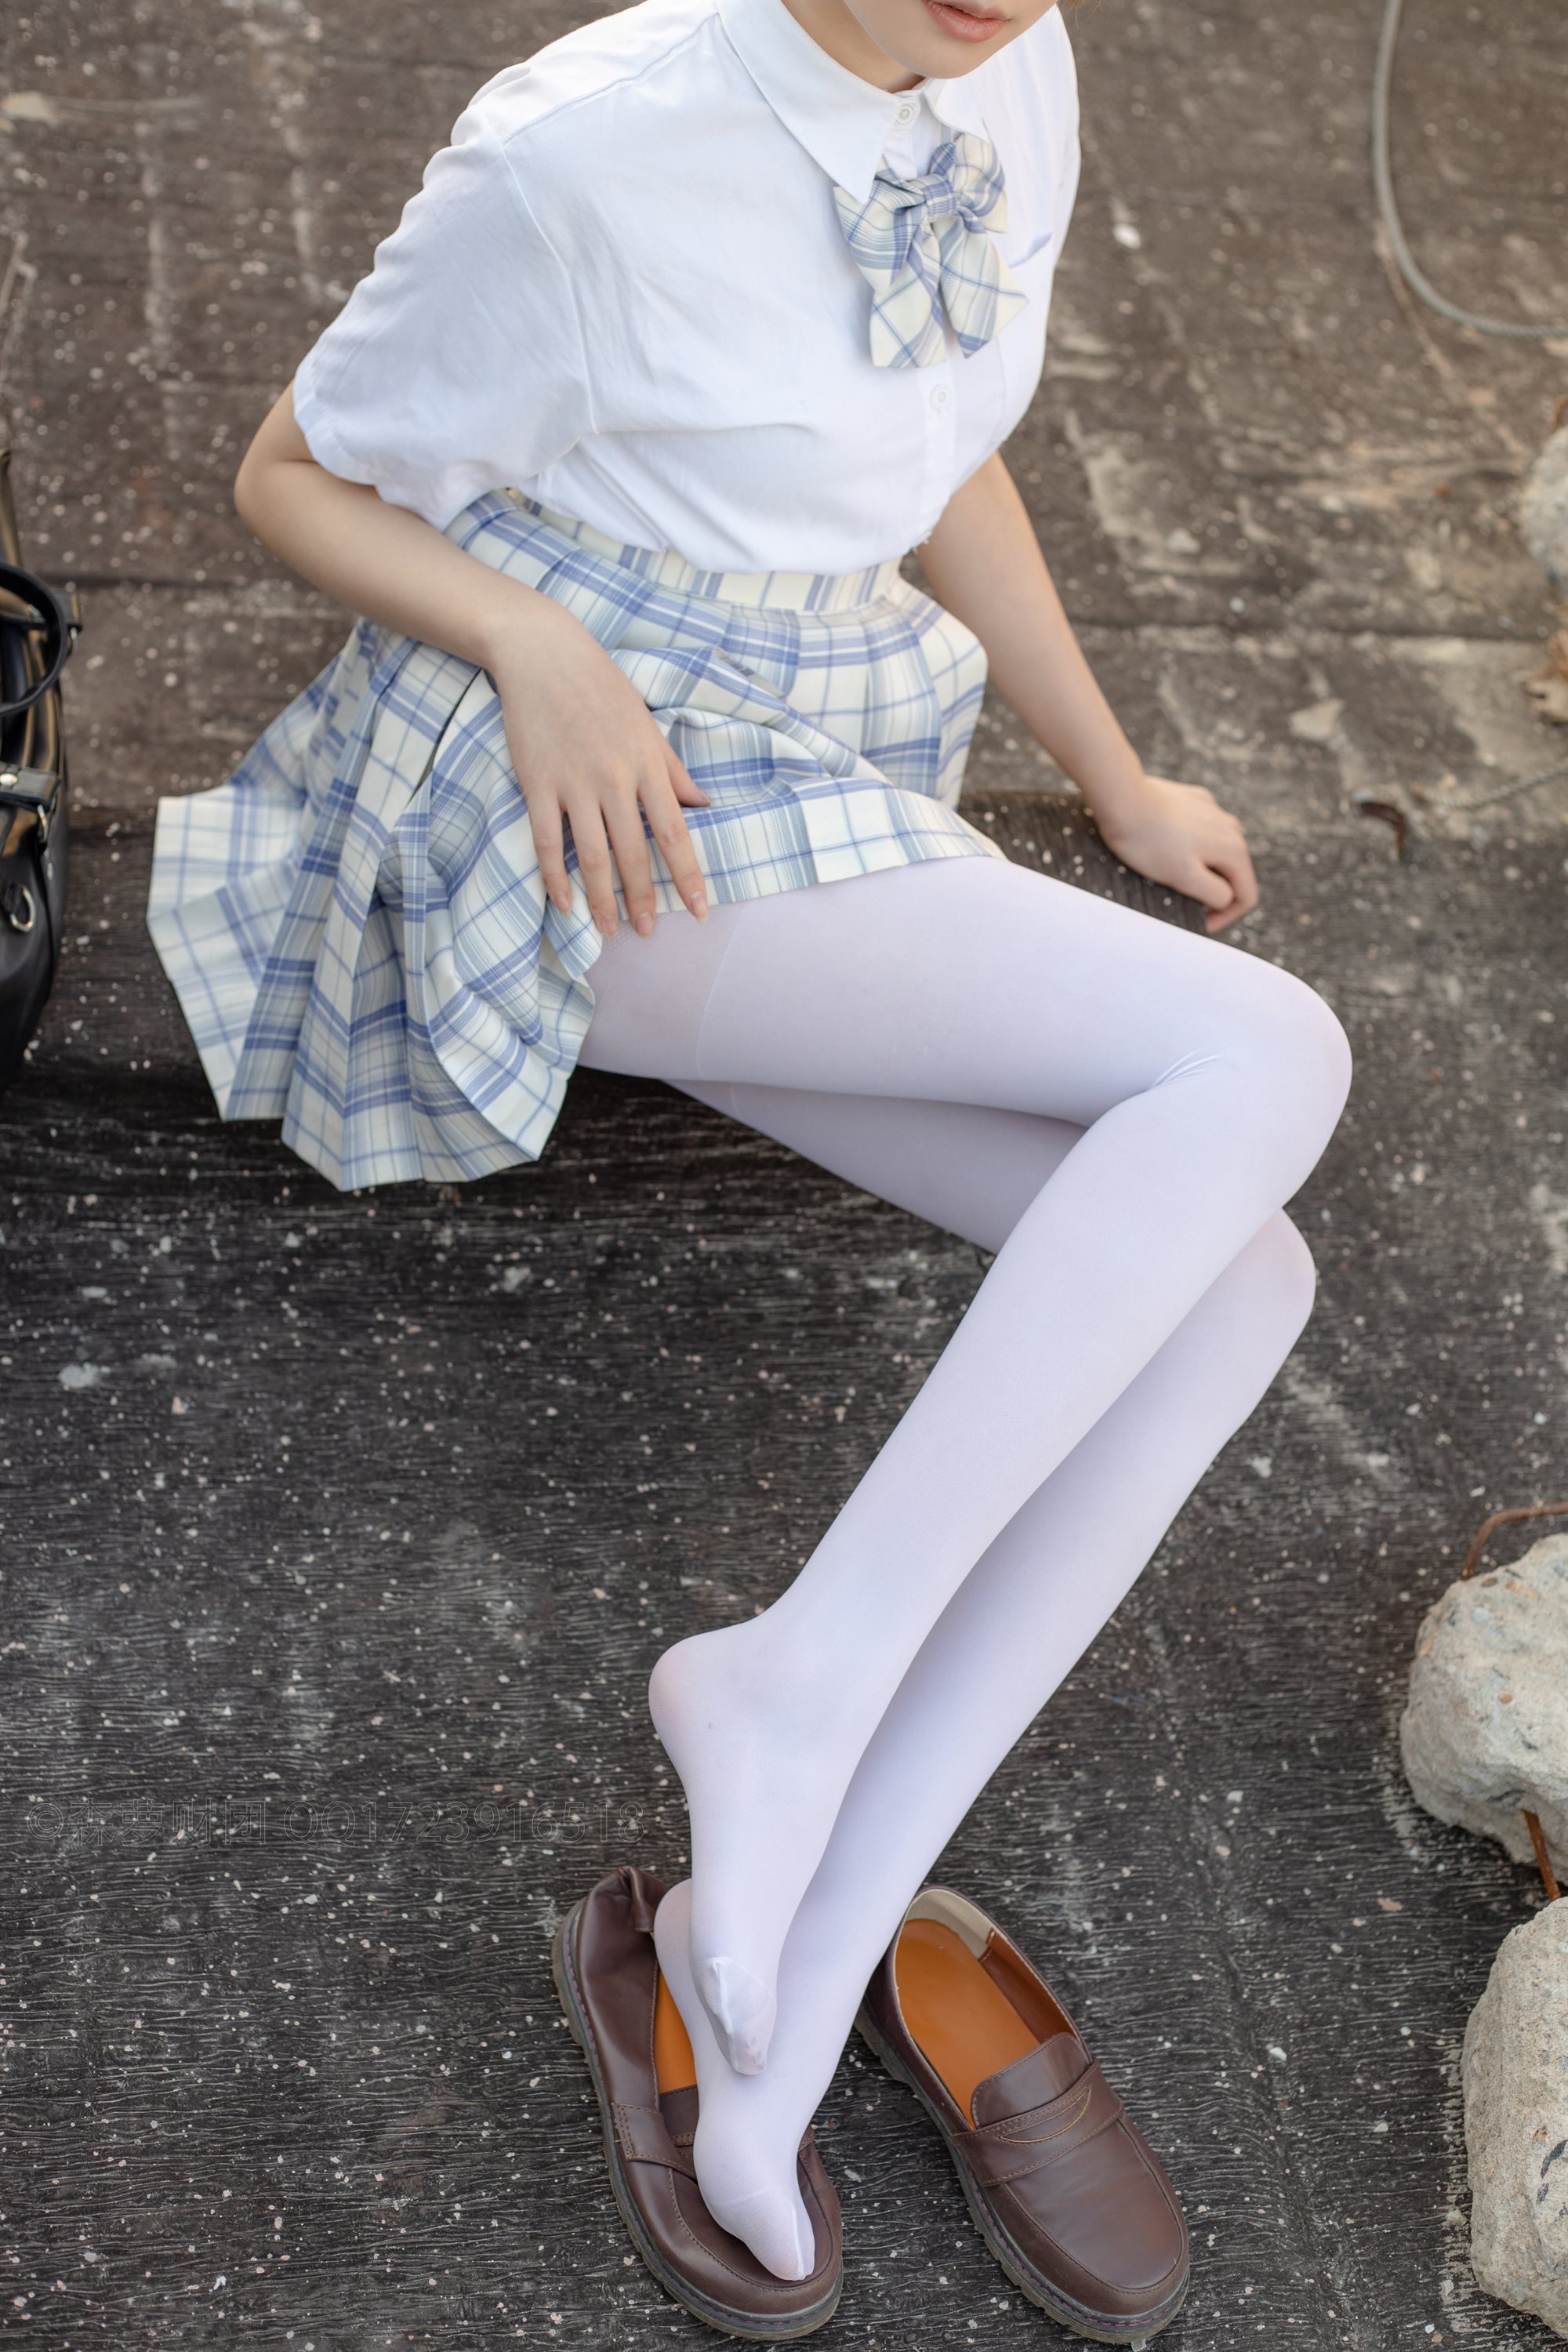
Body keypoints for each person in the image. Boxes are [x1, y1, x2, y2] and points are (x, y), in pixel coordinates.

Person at [147, 0, 1351, 2331]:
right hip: (570, 799)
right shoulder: (580, 154)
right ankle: (791, 1691)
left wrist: (1112, 775)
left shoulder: (1008, 61)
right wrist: (530, 643)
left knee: (1251, 1279)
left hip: (814, 747)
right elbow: (290, 472)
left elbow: (946, 449)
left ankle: (785, 1955)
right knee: (1267, 1055)